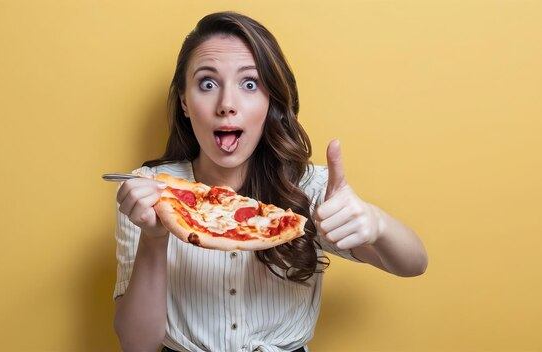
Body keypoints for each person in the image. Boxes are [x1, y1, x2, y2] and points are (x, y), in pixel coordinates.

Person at [112, 11, 427, 352]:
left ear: (270, 100)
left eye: (249, 84)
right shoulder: (151, 192)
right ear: (185, 102)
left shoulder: (306, 188)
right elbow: (137, 345)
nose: (227, 105)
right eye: (207, 83)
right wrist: (155, 238)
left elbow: (413, 264)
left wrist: (376, 223)